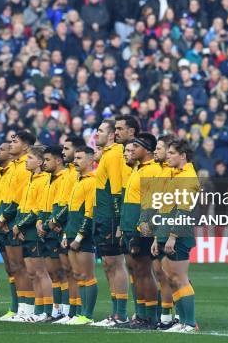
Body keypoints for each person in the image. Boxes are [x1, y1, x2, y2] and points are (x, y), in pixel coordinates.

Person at [151, 139, 199, 333]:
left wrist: (172, 236)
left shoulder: (188, 176)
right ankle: (182, 322)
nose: (168, 156)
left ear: (183, 155)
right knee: (170, 278)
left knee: (179, 278)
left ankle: (189, 323)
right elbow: (164, 207)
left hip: (178, 234)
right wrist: (157, 237)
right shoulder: (173, 174)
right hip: (165, 232)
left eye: (171, 153)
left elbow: (183, 210)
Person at [119, 133, 162, 329]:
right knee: (136, 272)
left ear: (147, 150)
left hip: (141, 229)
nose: (132, 150)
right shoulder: (137, 169)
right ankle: (141, 315)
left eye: (136, 146)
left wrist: (139, 232)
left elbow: (150, 205)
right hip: (129, 227)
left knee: (145, 272)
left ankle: (151, 317)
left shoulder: (152, 170)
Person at [92, 119, 129, 326]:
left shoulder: (114, 155)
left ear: (112, 135)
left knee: (115, 263)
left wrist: (118, 221)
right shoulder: (106, 155)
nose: (97, 134)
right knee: (108, 264)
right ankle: (115, 313)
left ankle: (120, 314)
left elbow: (116, 191)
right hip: (103, 216)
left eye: (100, 131)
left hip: (111, 218)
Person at [0, 130, 36, 321]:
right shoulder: (13, 166)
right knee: (15, 266)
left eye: (15, 141)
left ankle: (28, 309)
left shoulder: (25, 167)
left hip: (15, 219)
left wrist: (5, 217)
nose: (11, 144)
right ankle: (20, 308)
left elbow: (18, 198)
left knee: (22, 266)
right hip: (8, 219)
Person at [13, 145, 53, 322]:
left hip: (33, 229)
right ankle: (37, 311)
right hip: (25, 230)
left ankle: (47, 311)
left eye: (30, 158)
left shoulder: (44, 179)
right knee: (31, 273)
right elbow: (22, 205)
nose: (26, 161)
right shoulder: (31, 179)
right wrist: (19, 226)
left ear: (39, 161)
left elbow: (36, 209)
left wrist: (20, 225)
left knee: (41, 272)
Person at [62, 146, 98, 325]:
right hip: (71, 233)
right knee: (77, 274)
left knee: (87, 275)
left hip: (82, 236)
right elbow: (71, 211)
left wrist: (79, 237)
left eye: (80, 158)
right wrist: (66, 234)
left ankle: (87, 315)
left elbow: (89, 212)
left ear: (91, 161)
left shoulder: (92, 181)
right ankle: (79, 314)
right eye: (75, 158)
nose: (75, 161)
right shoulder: (77, 180)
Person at [49, 135, 83, 323]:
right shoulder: (66, 174)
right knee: (65, 271)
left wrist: (56, 221)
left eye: (67, 149)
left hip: (69, 226)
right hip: (62, 226)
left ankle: (76, 311)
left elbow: (70, 205)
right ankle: (67, 310)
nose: (63, 152)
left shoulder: (75, 175)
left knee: (74, 271)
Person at [38, 145, 70, 320]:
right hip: (48, 228)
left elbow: (66, 204)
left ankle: (66, 310)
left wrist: (53, 223)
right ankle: (56, 310)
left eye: (47, 160)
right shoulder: (50, 179)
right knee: (54, 273)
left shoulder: (66, 177)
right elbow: (45, 204)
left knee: (64, 272)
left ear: (58, 161)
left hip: (57, 228)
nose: (44, 163)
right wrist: (40, 222)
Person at [0, 141, 19, 320]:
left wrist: (5, 218)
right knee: (10, 268)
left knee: (19, 267)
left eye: (3, 149)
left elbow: (15, 200)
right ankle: (14, 307)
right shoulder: (0, 173)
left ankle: (25, 307)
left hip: (9, 223)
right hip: (0, 224)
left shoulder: (16, 171)